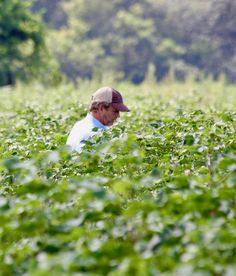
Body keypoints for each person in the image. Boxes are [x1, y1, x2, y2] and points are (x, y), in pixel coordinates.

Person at [66, 86, 130, 152]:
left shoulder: (78, 125)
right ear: (101, 108)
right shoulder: (97, 135)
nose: (118, 115)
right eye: (116, 111)